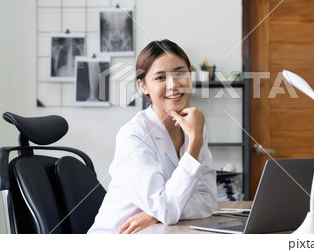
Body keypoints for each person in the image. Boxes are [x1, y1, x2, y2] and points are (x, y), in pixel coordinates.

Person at [88, 39, 217, 234]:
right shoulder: (133, 135)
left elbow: (207, 200)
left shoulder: (195, 127)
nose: (173, 85)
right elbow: (166, 209)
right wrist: (195, 144)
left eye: (180, 73)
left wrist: (155, 214)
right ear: (143, 85)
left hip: (160, 233)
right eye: (160, 78)